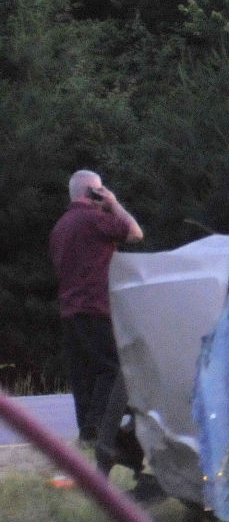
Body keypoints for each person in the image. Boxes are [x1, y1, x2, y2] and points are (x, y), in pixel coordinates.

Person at [49, 170, 143, 447]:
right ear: (92, 192)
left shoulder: (61, 226)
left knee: (83, 375)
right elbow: (135, 233)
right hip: (95, 306)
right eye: (100, 190)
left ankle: (87, 434)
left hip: (70, 309)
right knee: (112, 369)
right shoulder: (94, 220)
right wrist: (113, 204)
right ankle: (98, 429)